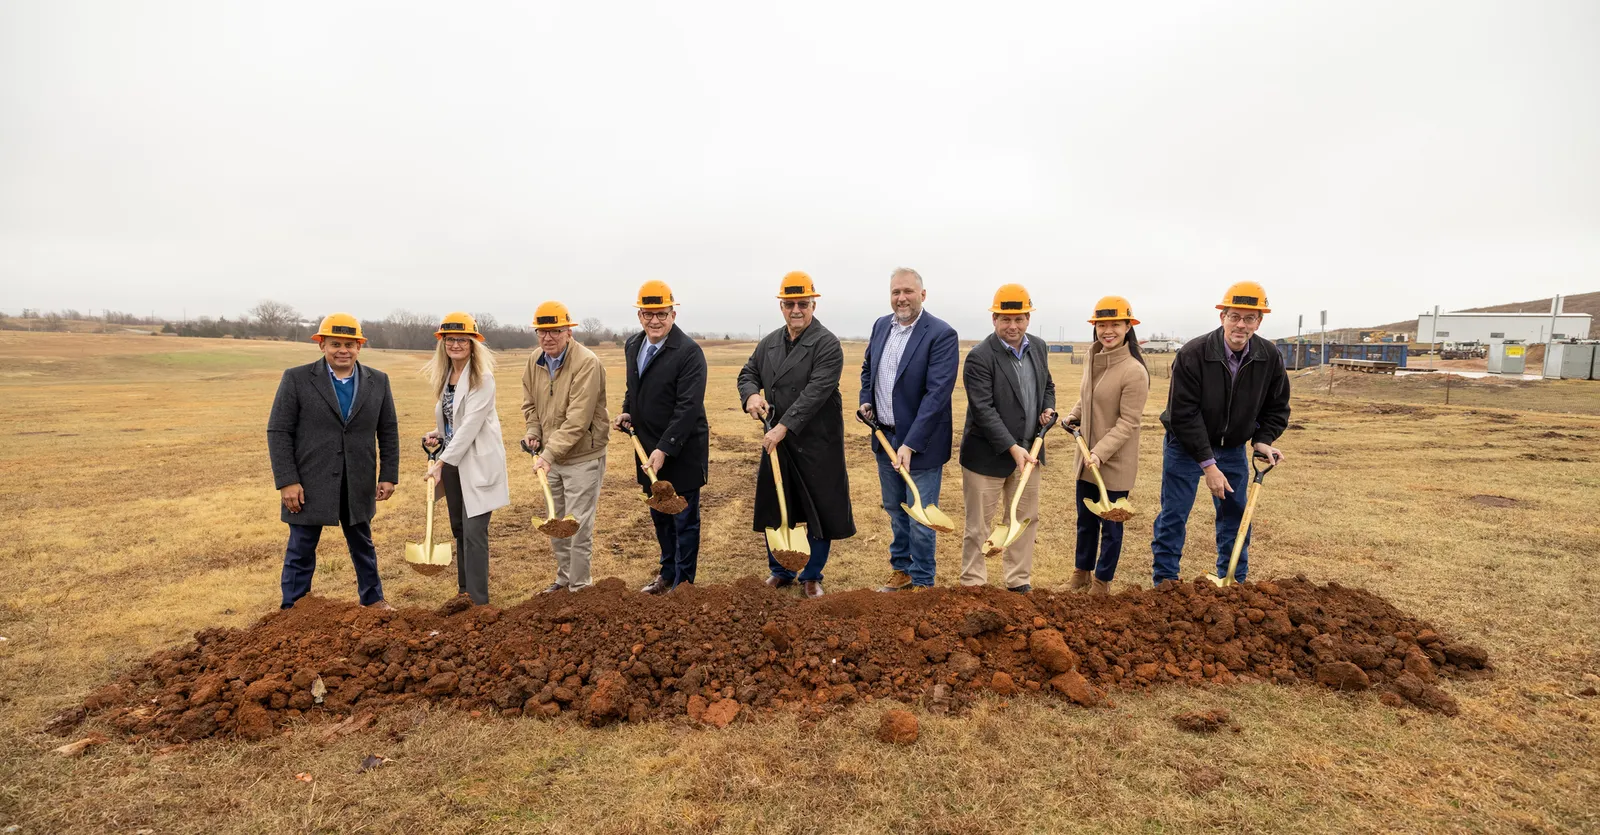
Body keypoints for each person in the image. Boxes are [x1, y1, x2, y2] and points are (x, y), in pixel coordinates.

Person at [1150, 281, 1290, 587]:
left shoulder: (1269, 356)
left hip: (1234, 448)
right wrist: (1209, 465)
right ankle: (1165, 585)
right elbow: (1183, 414)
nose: (1241, 324)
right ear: (1222, 317)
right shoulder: (1194, 353)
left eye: (1249, 318)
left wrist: (1264, 439)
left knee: (1235, 516)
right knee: (1174, 514)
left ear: (1259, 321)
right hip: (1185, 446)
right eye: (1234, 316)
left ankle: (1233, 583)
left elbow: (1277, 405)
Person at [266, 313, 399, 610]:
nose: (343, 350)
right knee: (301, 549)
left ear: (359, 347)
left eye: (350, 344)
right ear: (321, 345)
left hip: (358, 480)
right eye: (335, 343)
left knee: (363, 546)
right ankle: (293, 609)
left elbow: (387, 430)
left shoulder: (378, 381)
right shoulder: (297, 378)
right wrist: (287, 481)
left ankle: (374, 600)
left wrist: (388, 475)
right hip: (309, 483)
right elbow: (279, 431)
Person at [737, 271, 856, 599]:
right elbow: (749, 372)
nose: (796, 310)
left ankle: (812, 574)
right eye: (789, 304)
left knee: (819, 508)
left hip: (817, 442)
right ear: (781, 307)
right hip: (777, 442)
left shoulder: (827, 344)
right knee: (777, 507)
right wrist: (751, 396)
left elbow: (816, 393)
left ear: (813, 304)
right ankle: (781, 569)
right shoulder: (770, 342)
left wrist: (782, 428)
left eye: (803, 303)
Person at [858, 267, 958, 591]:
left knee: (920, 514)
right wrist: (866, 400)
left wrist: (910, 443)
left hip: (921, 443)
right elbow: (867, 368)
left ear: (923, 295)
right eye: (895, 292)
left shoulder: (941, 334)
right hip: (884, 436)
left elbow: (937, 394)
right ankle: (901, 571)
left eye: (908, 292)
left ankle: (924, 582)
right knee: (894, 509)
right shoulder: (879, 327)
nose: (901, 298)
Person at [958, 284, 1056, 593]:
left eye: (1019, 319)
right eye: (1005, 319)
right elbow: (983, 410)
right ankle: (974, 584)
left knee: (1025, 520)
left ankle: (1018, 582)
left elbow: (1048, 384)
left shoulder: (1038, 347)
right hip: (986, 457)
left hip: (1031, 451)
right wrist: (1012, 448)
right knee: (979, 527)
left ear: (1028, 318)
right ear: (994, 320)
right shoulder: (979, 357)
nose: (1012, 326)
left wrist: (1047, 406)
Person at [615, 281, 710, 594]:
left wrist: (665, 449)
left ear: (673, 313)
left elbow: (688, 407)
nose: (654, 320)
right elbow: (635, 388)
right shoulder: (633, 345)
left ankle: (684, 584)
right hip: (646, 449)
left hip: (681, 449)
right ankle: (667, 573)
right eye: (648, 314)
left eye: (662, 314)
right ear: (640, 315)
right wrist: (628, 411)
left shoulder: (688, 352)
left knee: (683, 520)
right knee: (660, 515)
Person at [520, 301, 609, 593]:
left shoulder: (587, 363)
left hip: (582, 457)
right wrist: (534, 432)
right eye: (542, 331)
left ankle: (580, 588)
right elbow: (530, 404)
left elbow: (578, 420)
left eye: (555, 331)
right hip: (552, 457)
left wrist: (546, 454)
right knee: (556, 523)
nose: (548, 338)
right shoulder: (535, 360)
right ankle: (564, 579)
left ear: (569, 331)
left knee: (577, 526)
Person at [421, 312, 509, 606]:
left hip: (477, 463)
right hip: (454, 463)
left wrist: (441, 462)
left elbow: (471, 425)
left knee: (474, 532)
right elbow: (455, 420)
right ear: (442, 343)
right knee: (459, 529)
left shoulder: (482, 378)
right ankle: (464, 595)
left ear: (473, 344)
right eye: (450, 339)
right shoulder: (447, 376)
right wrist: (438, 433)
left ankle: (480, 603)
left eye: (462, 339)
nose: (456, 344)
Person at [1065, 296, 1150, 595]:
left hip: (1112, 462)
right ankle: (1081, 572)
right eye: (1102, 325)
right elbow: (1087, 395)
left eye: (1115, 324)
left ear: (1129, 326)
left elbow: (1128, 422)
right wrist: (1074, 415)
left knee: (1111, 527)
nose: (1107, 331)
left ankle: (1102, 580)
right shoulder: (1093, 357)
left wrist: (1100, 453)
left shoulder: (1134, 371)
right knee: (1085, 521)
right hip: (1088, 456)